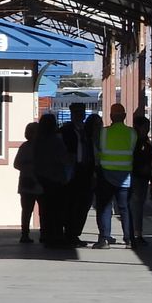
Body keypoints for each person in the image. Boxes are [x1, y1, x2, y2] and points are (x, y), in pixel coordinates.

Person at [92, 104, 135, 248]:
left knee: (105, 207)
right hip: (125, 175)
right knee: (124, 208)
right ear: (124, 116)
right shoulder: (132, 133)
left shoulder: (103, 133)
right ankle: (129, 239)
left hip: (106, 174)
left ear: (110, 116)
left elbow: (97, 151)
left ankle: (104, 239)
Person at [31, 110, 75, 246]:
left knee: (45, 210)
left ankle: (46, 235)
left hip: (41, 178)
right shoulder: (56, 141)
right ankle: (57, 237)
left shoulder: (37, 142)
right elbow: (63, 158)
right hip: (56, 179)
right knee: (57, 210)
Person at [60, 102, 94, 245]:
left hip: (86, 170)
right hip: (72, 170)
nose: (80, 116)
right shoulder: (66, 130)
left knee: (84, 204)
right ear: (72, 114)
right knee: (71, 203)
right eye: (77, 113)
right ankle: (70, 233)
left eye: (82, 113)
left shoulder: (88, 131)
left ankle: (75, 232)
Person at [127, 112, 152, 247]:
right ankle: (135, 234)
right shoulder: (137, 141)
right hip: (136, 175)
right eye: (146, 126)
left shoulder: (145, 141)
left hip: (143, 176)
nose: (147, 129)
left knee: (138, 205)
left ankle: (136, 233)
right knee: (136, 205)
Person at [14, 121, 43, 245]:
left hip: (31, 182)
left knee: (29, 210)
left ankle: (27, 234)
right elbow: (17, 164)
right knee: (29, 210)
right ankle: (27, 234)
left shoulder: (26, 147)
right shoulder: (27, 147)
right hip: (31, 182)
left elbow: (17, 164)